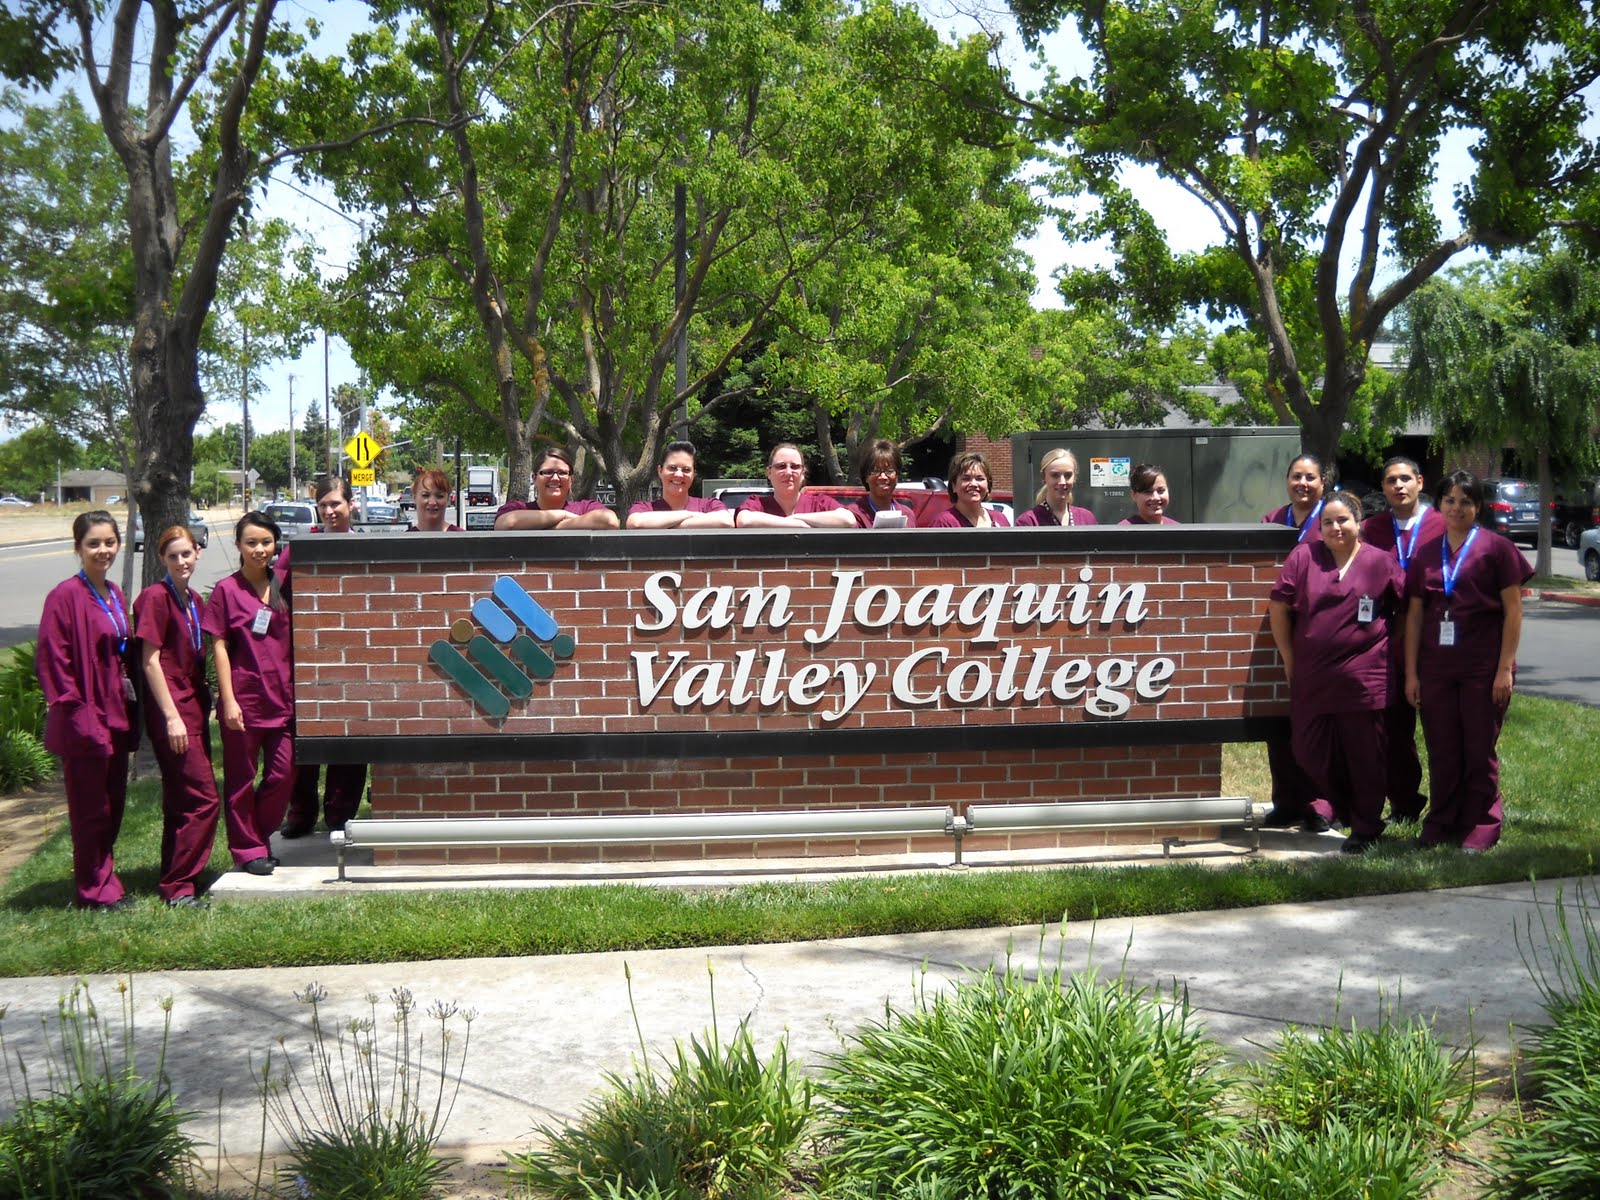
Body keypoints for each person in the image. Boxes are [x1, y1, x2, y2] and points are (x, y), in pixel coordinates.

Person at [1269, 493, 1404, 854]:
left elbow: (1405, 609)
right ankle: (1345, 808)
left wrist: (1394, 650)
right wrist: (1288, 656)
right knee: (1308, 751)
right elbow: (1279, 606)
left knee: (1366, 756)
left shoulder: (1380, 562)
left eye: (1342, 520)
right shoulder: (1304, 557)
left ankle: (1366, 826)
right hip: (1313, 676)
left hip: (1364, 678)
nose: (1335, 527)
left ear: (1358, 522)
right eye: (1327, 521)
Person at [1404, 470, 1532, 853]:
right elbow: (1413, 616)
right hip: (1436, 668)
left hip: (1483, 666)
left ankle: (1482, 822)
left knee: (1478, 748)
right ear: (1439, 504)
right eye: (1450, 500)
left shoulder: (1497, 549)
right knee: (1442, 748)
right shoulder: (1426, 553)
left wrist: (1504, 668)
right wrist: (1412, 673)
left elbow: (1514, 612)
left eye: (1466, 501)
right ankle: (1442, 819)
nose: (1457, 508)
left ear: (1478, 507)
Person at [36, 511, 136, 910]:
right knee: (90, 808)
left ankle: (103, 874)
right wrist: (80, 716)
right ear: (77, 547)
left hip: (114, 712)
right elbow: (52, 661)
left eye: (109, 542)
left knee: (112, 804)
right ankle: (93, 891)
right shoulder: (64, 596)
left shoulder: (114, 592)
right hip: (85, 719)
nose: (103, 550)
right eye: (93, 543)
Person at [133, 526, 222, 907]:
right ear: (162, 560)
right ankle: (180, 886)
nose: (182, 561)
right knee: (204, 799)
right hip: (173, 710)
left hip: (194, 705)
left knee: (179, 800)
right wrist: (171, 718)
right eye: (173, 556)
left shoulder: (193, 603)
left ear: (198, 553)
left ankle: (172, 874)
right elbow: (149, 661)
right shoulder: (155, 598)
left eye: (186, 554)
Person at [203, 512, 293, 875]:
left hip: (283, 699)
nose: (259, 549)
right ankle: (248, 849)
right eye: (251, 542)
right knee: (241, 780)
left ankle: (258, 834)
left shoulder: (286, 584)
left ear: (276, 545)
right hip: (245, 699)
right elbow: (219, 646)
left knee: (284, 774)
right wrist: (227, 700)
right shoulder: (227, 590)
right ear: (239, 546)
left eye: (266, 542)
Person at [1360, 456, 1447, 822]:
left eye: (1405, 479)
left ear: (1420, 482)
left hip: (1436, 642)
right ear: (1383, 488)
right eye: (1391, 480)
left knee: (1443, 732)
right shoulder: (1371, 528)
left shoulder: (1444, 525)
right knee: (1394, 731)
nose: (1399, 486)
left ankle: (1450, 808)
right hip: (1388, 641)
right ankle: (1404, 802)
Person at [282, 476, 368, 838]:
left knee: (348, 740)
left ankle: (339, 815)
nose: (331, 511)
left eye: (337, 503)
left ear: (351, 505)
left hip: (351, 658)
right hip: (307, 657)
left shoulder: (365, 548)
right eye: (324, 505)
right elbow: (279, 596)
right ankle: (300, 815)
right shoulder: (299, 548)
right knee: (304, 741)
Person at [1260, 454, 1329, 830]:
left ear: (1322, 482)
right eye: (1296, 477)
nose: (1303, 483)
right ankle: (1286, 801)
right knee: (1280, 718)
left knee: (1317, 721)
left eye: (1310, 477)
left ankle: (1319, 804)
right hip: (1280, 624)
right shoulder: (1272, 520)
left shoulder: (1330, 520)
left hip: (1319, 627)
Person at [494, 448, 621, 530]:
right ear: (534, 478)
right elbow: (504, 524)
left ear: (571, 479)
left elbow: (609, 521)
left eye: (562, 473)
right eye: (548, 472)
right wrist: (562, 514)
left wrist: (557, 527)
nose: (555, 478)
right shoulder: (517, 508)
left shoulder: (585, 508)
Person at [734, 444, 857, 528]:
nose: (788, 472)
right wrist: (795, 524)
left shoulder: (820, 503)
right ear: (769, 473)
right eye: (781, 466)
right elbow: (744, 520)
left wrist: (797, 517)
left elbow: (848, 519)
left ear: (803, 473)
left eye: (795, 466)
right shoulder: (757, 503)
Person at [624, 442, 734, 528]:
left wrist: (668, 525)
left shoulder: (709, 505)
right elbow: (635, 523)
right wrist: (689, 514)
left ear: (693, 474)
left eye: (686, 470)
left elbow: (726, 521)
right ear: (660, 470)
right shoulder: (644, 508)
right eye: (672, 468)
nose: (679, 474)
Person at [841, 439, 916, 528]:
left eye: (889, 470)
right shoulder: (855, 515)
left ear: (897, 476)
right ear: (866, 477)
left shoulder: (908, 515)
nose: (883, 477)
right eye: (875, 471)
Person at [929, 451, 1012, 528]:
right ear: (954, 486)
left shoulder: (1000, 519)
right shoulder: (944, 523)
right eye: (966, 478)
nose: (973, 484)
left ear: (988, 486)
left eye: (980, 478)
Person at [1017, 448, 1096, 527]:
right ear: (1043, 477)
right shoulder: (1029, 521)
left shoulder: (1087, 518)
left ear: (1074, 477)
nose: (1062, 482)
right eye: (1055, 475)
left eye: (1068, 475)